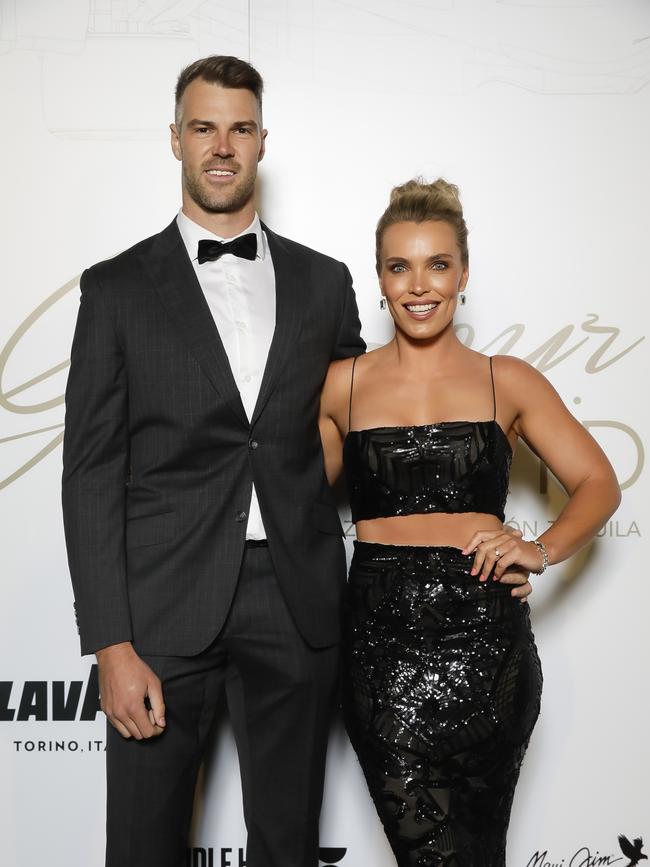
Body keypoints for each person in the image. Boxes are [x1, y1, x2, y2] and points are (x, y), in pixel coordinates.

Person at [61, 55, 366, 867]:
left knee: (286, 844)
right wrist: (111, 646)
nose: (221, 146)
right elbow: (89, 470)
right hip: (160, 608)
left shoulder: (326, 283)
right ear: (176, 140)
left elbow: (361, 428)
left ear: (263, 140)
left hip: (295, 598)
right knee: (142, 844)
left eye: (239, 128)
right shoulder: (116, 288)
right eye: (204, 128)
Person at [319, 179, 621, 866]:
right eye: (399, 266)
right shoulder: (344, 385)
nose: (418, 285)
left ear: (463, 272)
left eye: (437, 264)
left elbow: (598, 482)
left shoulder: (504, 378)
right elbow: (290, 498)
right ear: (380, 277)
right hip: (381, 655)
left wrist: (540, 547)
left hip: (488, 651)